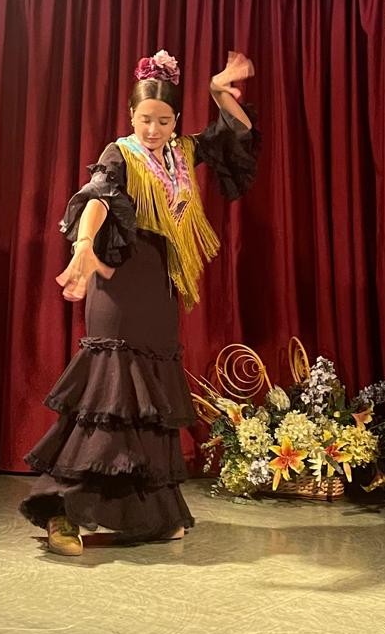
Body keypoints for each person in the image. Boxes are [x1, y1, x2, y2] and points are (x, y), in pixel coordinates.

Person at [20, 49, 258, 555]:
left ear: (176, 120)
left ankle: (150, 515)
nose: (153, 130)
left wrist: (218, 93)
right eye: (146, 119)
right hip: (119, 285)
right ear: (131, 115)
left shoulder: (183, 152)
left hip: (159, 288)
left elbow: (237, 133)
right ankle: (63, 513)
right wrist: (83, 246)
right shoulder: (121, 153)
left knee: (148, 404)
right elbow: (98, 198)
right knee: (109, 400)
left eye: (164, 121)